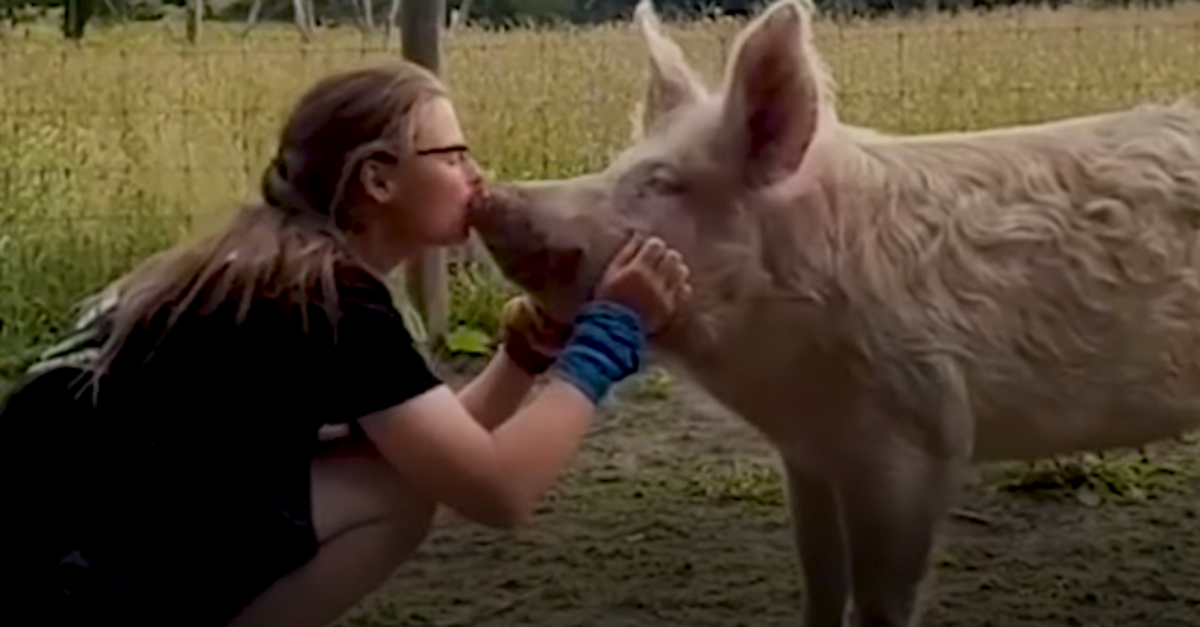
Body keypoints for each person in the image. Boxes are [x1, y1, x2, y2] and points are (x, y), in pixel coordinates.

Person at [0, 61, 692, 627]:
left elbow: (436, 455)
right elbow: (498, 490)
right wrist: (609, 334)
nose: (475, 174)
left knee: (388, 476)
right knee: (394, 501)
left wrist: (519, 359)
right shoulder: (329, 296)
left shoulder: (271, 265)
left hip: (58, 555)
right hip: (71, 586)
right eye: (452, 154)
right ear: (379, 178)